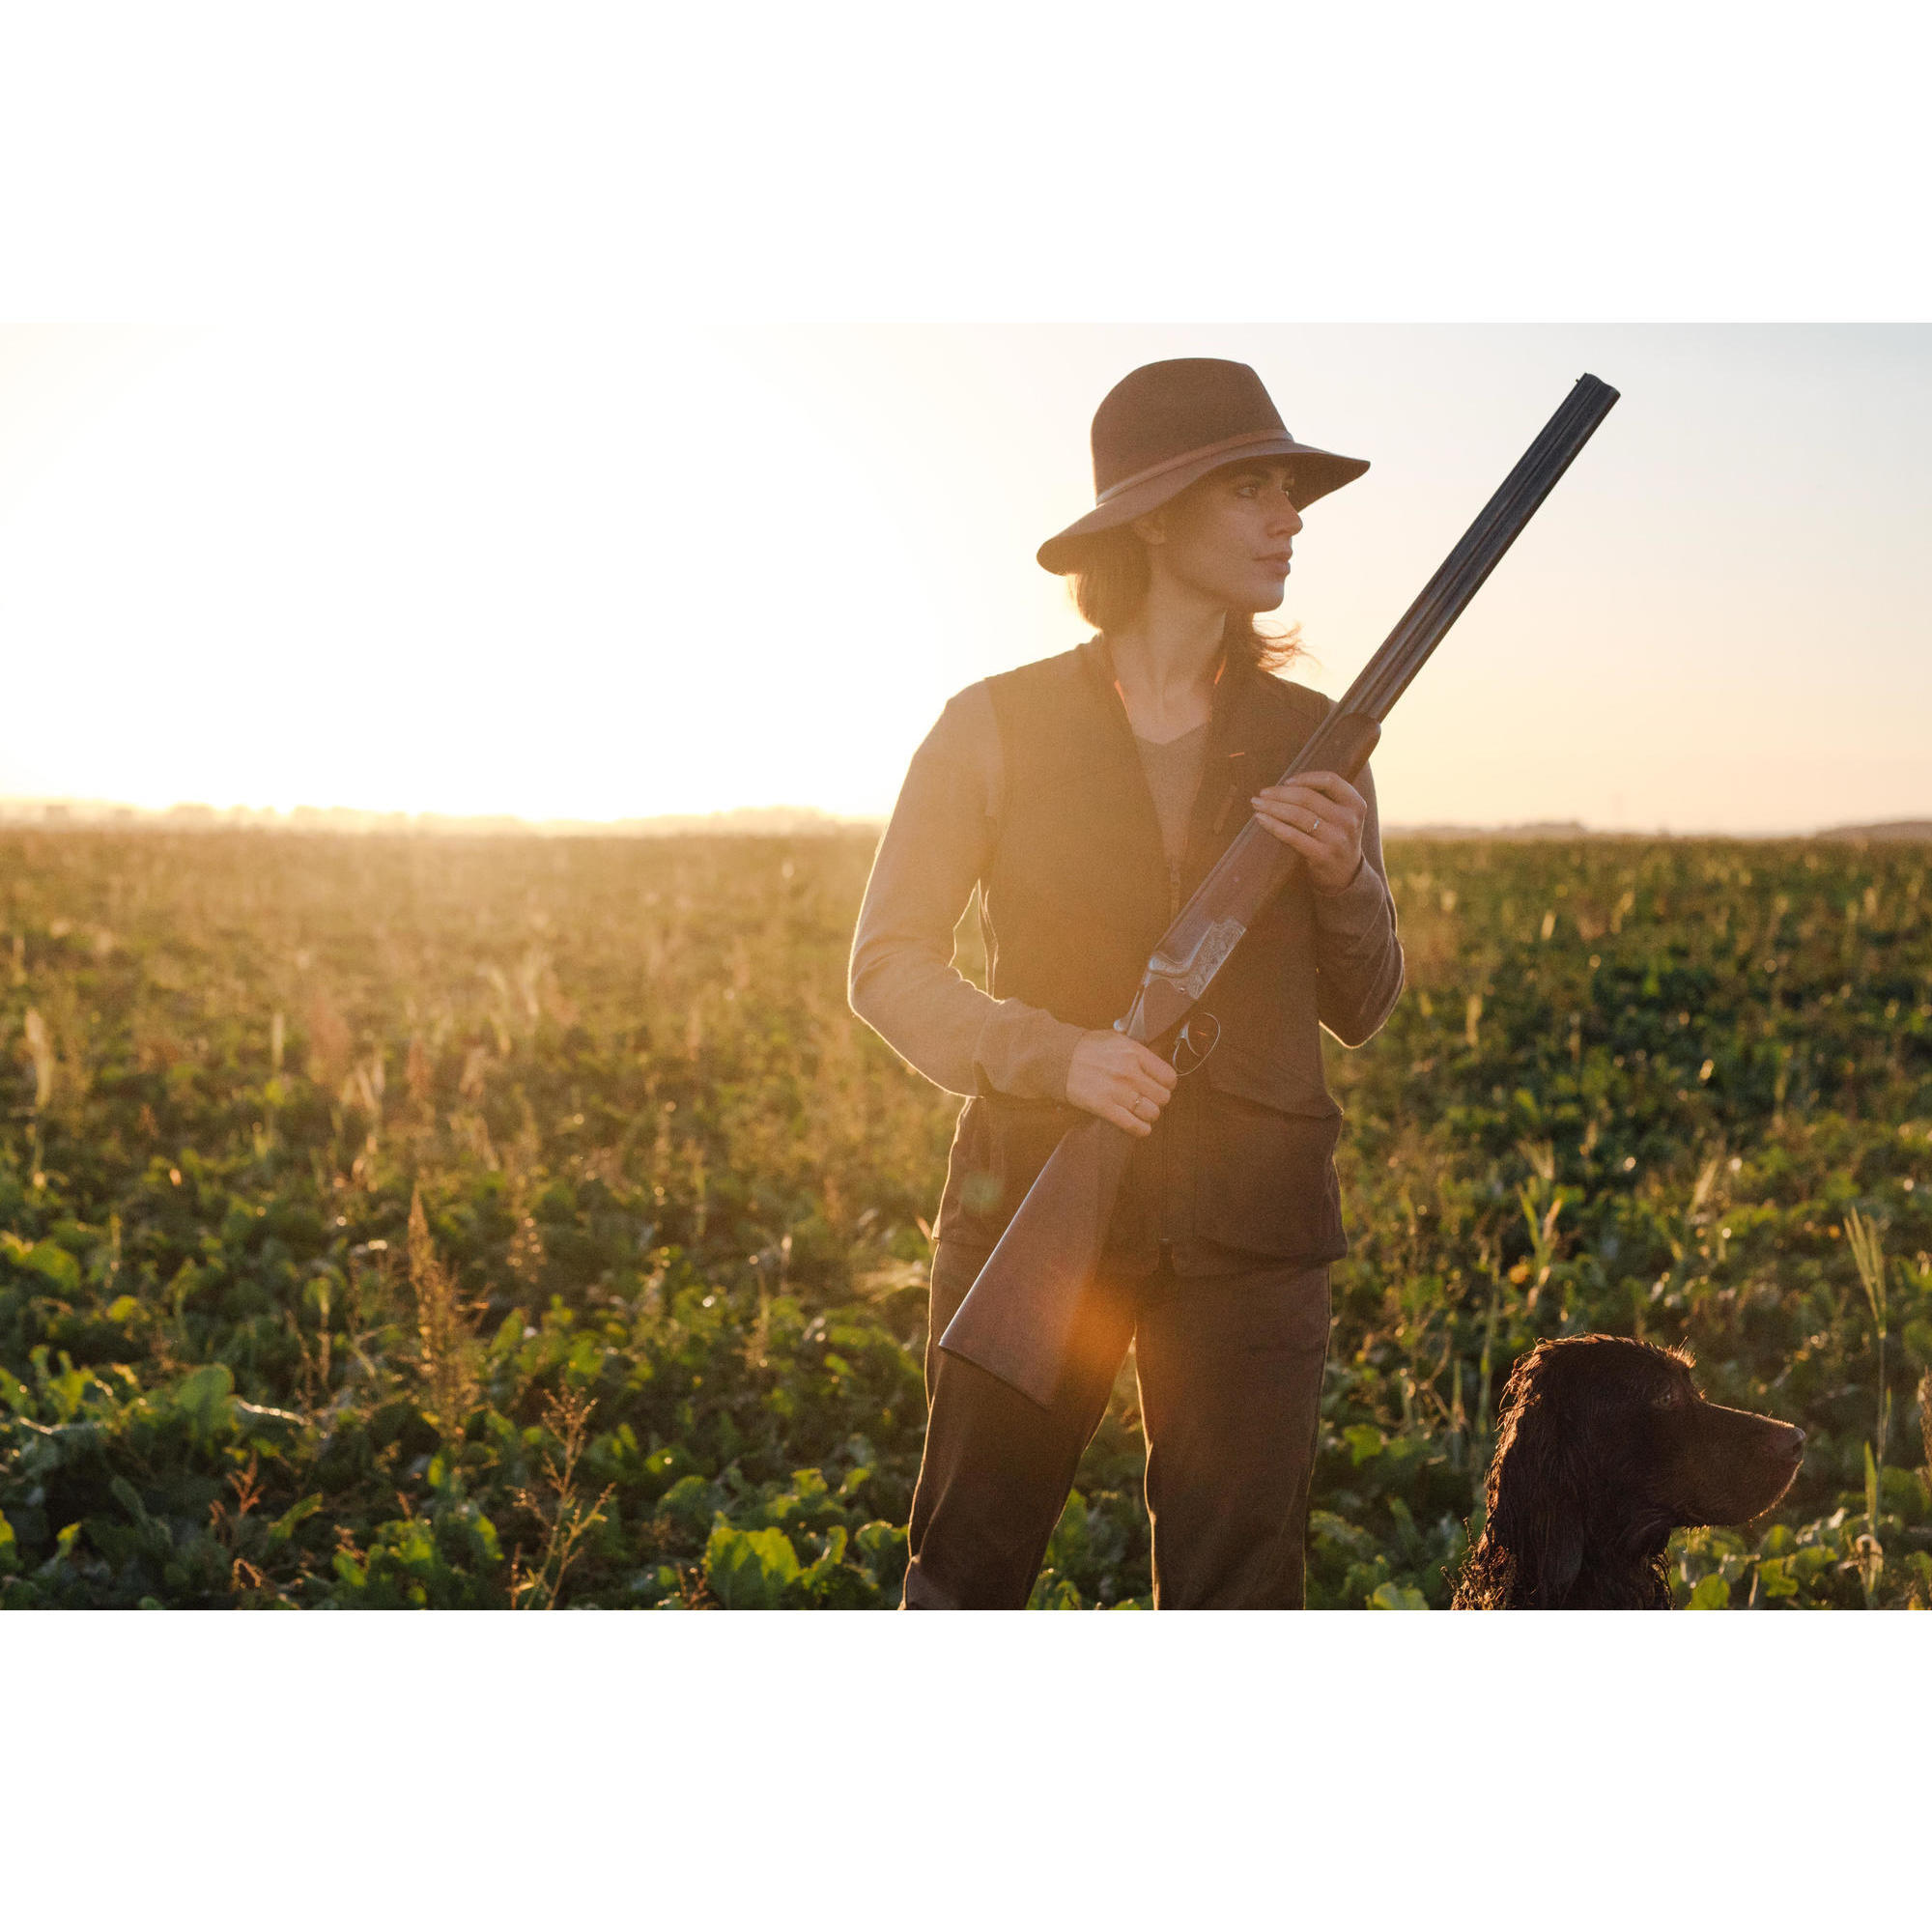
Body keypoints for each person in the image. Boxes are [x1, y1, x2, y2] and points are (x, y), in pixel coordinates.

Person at [847, 357, 1405, 1608]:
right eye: (1250, 490)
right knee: (968, 1572)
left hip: (1257, 1221)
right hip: (1039, 1185)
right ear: (1153, 518)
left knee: (1238, 1592)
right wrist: (1055, 1055)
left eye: (1291, 492)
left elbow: (1362, 1004)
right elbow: (887, 967)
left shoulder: (1321, 739)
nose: (1290, 518)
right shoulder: (987, 726)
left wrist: (1346, 879)